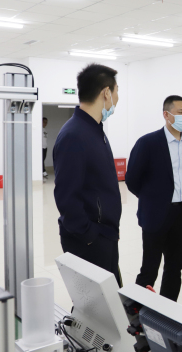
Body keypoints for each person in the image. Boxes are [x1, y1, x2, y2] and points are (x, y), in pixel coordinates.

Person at [53, 63, 123, 287]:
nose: (117, 98)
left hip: (104, 236)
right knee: (94, 303)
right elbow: (66, 197)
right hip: (89, 241)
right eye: (117, 91)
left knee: (108, 300)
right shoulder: (74, 135)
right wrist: (91, 236)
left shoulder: (94, 130)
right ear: (106, 93)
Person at [126, 95, 182, 302]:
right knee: (149, 269)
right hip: (155, 214)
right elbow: (132, 179)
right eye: (180, 112)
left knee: (175, 268)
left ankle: (167, 311)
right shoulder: (148, 142)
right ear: (166, 115)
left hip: (180, 213)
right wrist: (151, 199)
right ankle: (136, 310)